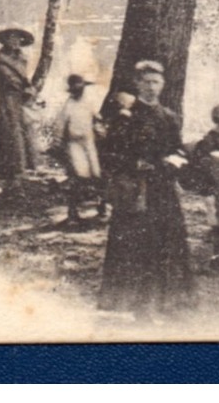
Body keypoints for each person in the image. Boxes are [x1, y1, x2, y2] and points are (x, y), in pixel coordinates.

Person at [97, 60, 195, 319]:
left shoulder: (169, 117)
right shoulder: (126, 117)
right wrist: (133, 163)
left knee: (166, 243)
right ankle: (132, 304)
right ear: (138, 83)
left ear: (162, 85)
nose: (152, 87)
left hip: (163, 191)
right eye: (147, 82)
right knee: (134, 246)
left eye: (156, 82)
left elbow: (178, 150)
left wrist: (176, 161)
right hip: (135, 190)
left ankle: (166, 301)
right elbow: (109, 154)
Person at [188, 105, 219, 269]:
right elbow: (201, 163)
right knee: (215, 223)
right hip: (211, 187)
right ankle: (215, 259)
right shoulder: (209, 139)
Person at [56, 74, 105, 225]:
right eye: (76, 89)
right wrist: (59, 144)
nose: (79, 91)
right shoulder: (68, 106)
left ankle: (102, 209)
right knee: (78, 176)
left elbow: (98, 117)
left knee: (98, 175)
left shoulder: (89, 102)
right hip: (74, 143)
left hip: (89, 142)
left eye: (81, 88)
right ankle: (73, 213)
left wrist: (100, 128)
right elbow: (59, 127)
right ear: (72, 90)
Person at [0, 28, 39, 181]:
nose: (15, 42)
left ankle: (27, 165)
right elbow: (7, 79)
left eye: (18, 39)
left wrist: (29, 88)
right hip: (6, 98)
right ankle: (12, 168)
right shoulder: (0, 59)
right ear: (5, 41)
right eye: (11, 38)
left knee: (25, 129)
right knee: (10, 131)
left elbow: (24, 78)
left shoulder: (21, 59)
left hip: (19, 98)